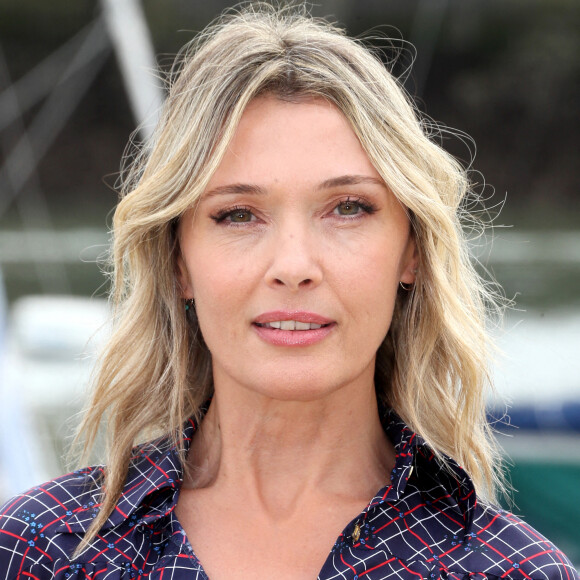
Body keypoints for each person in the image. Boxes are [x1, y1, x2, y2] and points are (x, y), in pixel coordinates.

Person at [0, 4, 577, 579]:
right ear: (177, 260)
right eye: (238, 215)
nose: (294, 266)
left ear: (412, 252)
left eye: (348, 208)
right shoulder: (39, 549)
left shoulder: (512, 570)